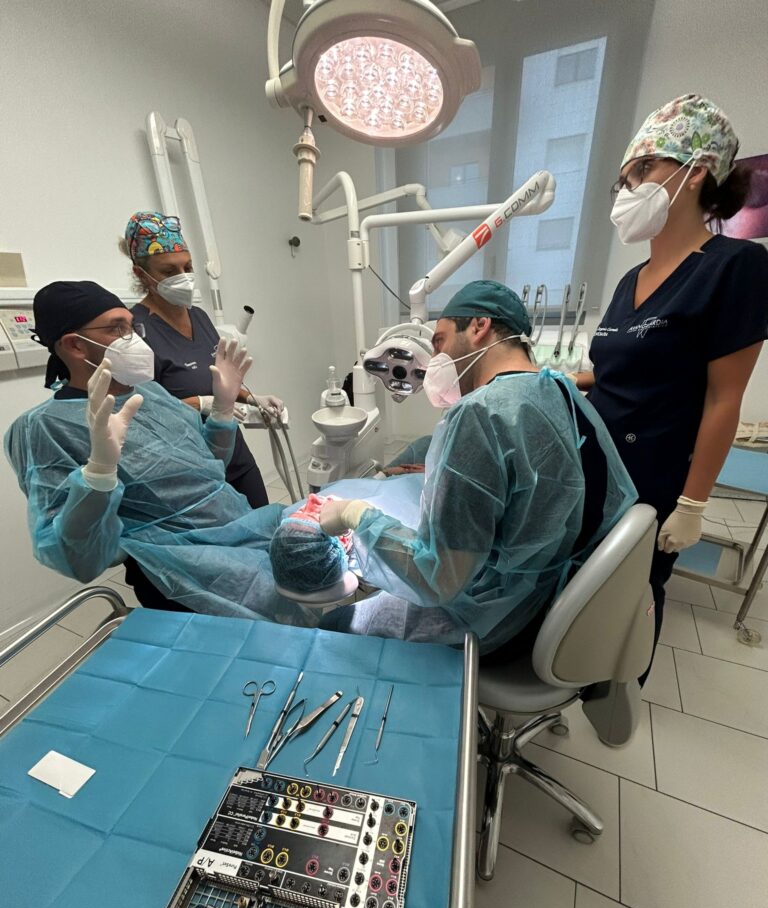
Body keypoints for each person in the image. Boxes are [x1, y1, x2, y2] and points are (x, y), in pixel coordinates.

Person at [318, 280, 638, 654]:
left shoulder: (481, 414)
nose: (434, 359)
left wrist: (355, 515)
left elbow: (437, 578)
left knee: (334, 627)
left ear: (479, 326)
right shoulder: (560, 390)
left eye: (439, 342)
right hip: (554, 599)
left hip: (495, 619)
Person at [574, 95, 768, 666]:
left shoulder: (735, 267)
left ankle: (619, 691)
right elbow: (619, 372)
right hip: (594, 467)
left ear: (696, 171)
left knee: (629, 601)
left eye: (642, 170)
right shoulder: (631, 279)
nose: (629, 189)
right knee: (578, 594)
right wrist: (558, 379)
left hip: (653, 483)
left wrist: (693, 503)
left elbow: (724, 398)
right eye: (625, 179)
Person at [4, 280, 312, 625]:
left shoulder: (151, 392)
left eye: (131, 326)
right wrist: (99, 472)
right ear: (75, 345)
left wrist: (223, 408)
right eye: (116, 328)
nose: (133, 338)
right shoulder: (44, 428)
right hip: (180, 571)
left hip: (238, 530)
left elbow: (208, 466)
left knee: (309, 584)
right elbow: (78, 558)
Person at [120, 211, 284, 508]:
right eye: (169, 271)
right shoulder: (135, 333)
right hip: (189, 466)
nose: (183, 276)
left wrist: (250, 397)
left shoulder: (199, 316)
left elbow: (219, 379)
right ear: (141, 274)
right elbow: (144, 414)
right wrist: (203, 403)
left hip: (234, 452)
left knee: (264, 520)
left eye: (187, 267)